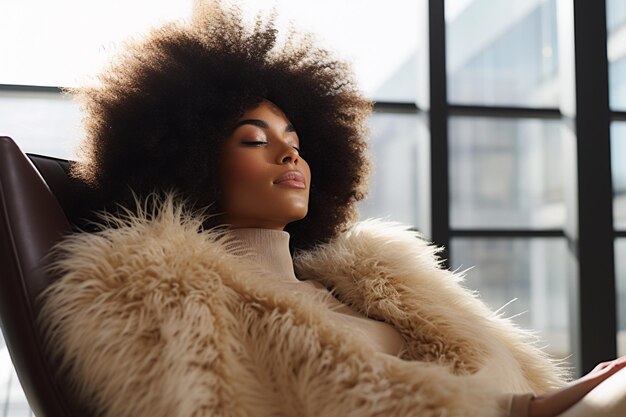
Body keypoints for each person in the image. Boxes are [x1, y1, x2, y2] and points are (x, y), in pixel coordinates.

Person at [37, 1, 626, 416]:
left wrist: (567, 395)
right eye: (252, 139)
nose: (288, 148)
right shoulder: (177, 300)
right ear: (188, 163)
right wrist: (539, 406)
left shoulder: (359, 281)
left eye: (293, 133)